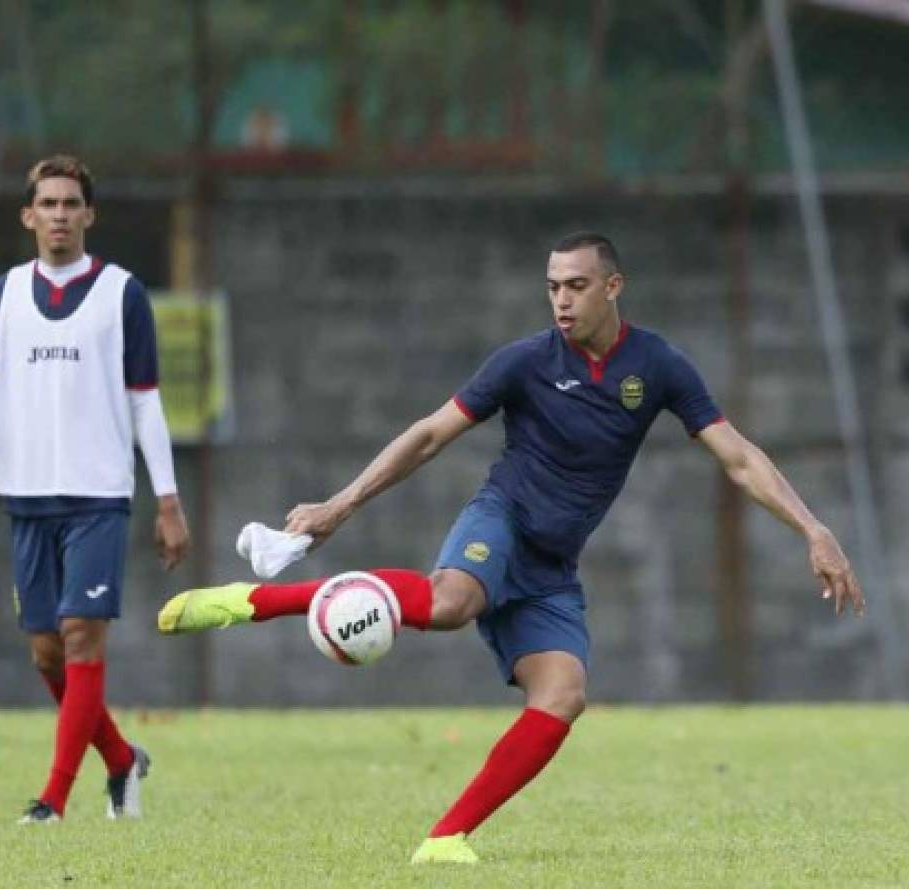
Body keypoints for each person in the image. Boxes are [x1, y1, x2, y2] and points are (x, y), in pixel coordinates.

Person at [156, 232, 864, 863]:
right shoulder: (525, 361)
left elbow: (736, 455)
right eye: (552, 285)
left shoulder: (659, 366)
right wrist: (341, 504)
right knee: (450, 602)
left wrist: (813, 527)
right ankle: (249, 600)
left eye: (576, 285)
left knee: (563, 695)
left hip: (553, 566)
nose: (561, 299)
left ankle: (444, 838)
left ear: (613, 287)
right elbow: (431, 433)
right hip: (502, 520)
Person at [0, 155, 190, 824]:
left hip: (99, 496)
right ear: (28, 215)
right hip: (25, 495)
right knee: (47, 650)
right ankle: (122, 759)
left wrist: (167, 498)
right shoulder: (4, 295)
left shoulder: (122, 293)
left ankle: (53, 799)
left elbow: (145, 402)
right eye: (47, 203)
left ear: (89, 215)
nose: (60, 215)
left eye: (71, 204)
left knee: (81, 635)